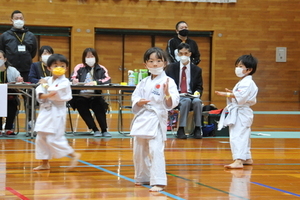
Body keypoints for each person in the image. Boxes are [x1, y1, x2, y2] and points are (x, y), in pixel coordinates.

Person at [130, 47, 179, 192]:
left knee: (155, 149)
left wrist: (167, 94)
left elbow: (173, 103)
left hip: (157, 118)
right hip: (143, 117)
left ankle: (159, 181)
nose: (155, 64)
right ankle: (142, 176)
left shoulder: (168, 81)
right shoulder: (143, 82)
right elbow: (135, 97)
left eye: (159, 61)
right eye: (151, 61)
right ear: (145, 65)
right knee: (138, 149)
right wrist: (138, 102)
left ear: (164, 63)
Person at [33, 54, 81, 171]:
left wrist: (45, 86)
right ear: (48, 68)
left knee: (53, 138)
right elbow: (40, 94)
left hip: (57, 113)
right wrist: (45, 88)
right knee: (41, 138)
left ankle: (73, 155)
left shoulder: (64, 82)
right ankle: (45, 163)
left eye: (62, 66)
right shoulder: (47, 80)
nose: (59, 68)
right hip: (45, 112)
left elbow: (53, 93)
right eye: (55, 65)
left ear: (66, 68)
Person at [215, 54, 258, 169]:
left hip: (242, 112)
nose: (238, 68)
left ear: (249, 69)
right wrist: (231, 93)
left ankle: (238, 160)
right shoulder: (244, 81)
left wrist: (227, 94)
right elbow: (240, 95)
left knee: (238, 136)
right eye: (237, 66)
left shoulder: (247, 82)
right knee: (243, 135)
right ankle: (247, 158)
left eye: (240, 66)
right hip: (241, 111)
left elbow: (241, 97)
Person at [165, 43, 203, 139]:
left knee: (198, 102)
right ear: (178, 54)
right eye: (181, 54)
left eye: (185, 53)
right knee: (185, 101)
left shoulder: (197, 69)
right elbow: (168, 84)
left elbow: (199, 86)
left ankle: (198, 128)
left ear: (190, 54)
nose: (183, 56)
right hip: (177, 95)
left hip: (191, 95)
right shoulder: (171, 68)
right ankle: (181, 129)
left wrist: (197, 92)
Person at [70, 48, 111, 137]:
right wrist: (74, 81)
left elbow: (108, 80)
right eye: (87, 56)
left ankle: (104, 130)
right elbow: (72, 77)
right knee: (81, 106)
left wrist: (96, 82)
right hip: (81, 96)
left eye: (92, 56)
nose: (90, 58)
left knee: (99, 106)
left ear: (95, 57)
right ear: (84, 58)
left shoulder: (101, 68)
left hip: (95, 95)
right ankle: (95, 129)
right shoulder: (79, 67)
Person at [0, 10, 37, 82]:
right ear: (11, 20)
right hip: (10, 70)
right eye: (16, 18)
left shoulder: (31, 36)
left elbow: (33, 53)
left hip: (27, 69)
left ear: (24, 20)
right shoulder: (4, 36)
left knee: (25, 91)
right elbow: (2, 52)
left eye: (21, 18)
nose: (19, 20)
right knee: (10, 91)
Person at [0, 50, 23, 136]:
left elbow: (19, 80)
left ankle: (8, 128)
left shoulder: (12, 70)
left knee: (12, 105)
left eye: (0, 58)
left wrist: (19, 80)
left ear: (5, 59)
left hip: (9, 96)